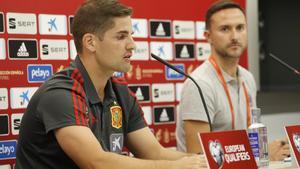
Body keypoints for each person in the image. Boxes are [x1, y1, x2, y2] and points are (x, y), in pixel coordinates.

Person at [15, 0, 207, 169]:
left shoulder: (119, 91)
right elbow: (96, 163)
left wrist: (209, 161)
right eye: (121, 36)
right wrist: (172, 168)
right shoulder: (60, 93)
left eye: (131, 35)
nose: (132, 45)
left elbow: (154, 153)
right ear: (90, 42)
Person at [176, 0, 290, 161]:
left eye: (240, 28)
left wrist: (271, 150)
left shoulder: (248, 78)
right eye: (225, 29)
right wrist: (260, 155)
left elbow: (250, 138)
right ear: (208, 36)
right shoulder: (200, 84)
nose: (235, 36)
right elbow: (199, 157)